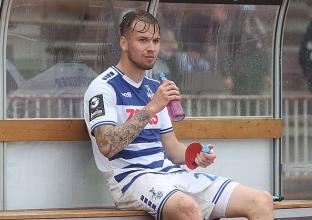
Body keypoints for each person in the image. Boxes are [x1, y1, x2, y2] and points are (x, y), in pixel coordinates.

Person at [84, 10, 274, 220]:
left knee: (261, 200)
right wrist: (151, 108)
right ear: (123, 43)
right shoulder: (103, 87)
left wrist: (197, 155)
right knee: (188, 208)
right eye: (142, 40)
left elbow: (172, 148)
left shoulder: (155, 87)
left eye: (156, 41)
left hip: (170, 174)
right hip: (131, 178)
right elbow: (107, 146)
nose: (151, 48)